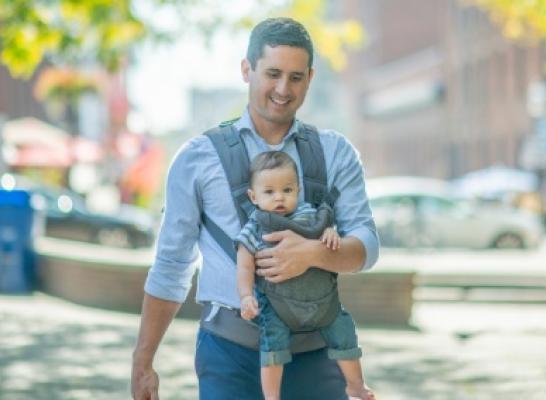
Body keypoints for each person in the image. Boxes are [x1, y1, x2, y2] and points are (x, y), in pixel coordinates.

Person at [130, 17, 380, 400]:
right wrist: (143, 360)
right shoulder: (197, 158)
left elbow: (367, 245)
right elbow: (172, 265)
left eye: (296, 77)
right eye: (273, 73)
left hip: (316, 353)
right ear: (247, 70)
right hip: (228, 356)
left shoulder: (335, 152)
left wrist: (312, 253)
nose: (283, 89)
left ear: (310, 78)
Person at [236, 151, 374, 400]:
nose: (279, 197)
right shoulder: (254, 228)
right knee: (272, 348)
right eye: (269, 192)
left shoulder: (312, 216)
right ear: (253, 196)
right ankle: (272, 397)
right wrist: (246, 296)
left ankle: (355, 385)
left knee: (344, 335)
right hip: (277, 305)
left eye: (287, 190)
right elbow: (244, 266)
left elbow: (329, 236)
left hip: (323, 301)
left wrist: (331, 237)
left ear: (298, 190)